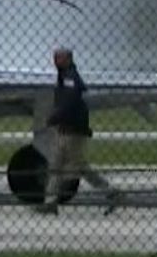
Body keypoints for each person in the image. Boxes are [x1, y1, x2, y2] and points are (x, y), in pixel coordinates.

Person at [35, 47, 123, 214]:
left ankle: (111, 192)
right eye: (54, 57)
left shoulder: (70, 78)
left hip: (73, 130)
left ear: (68, 58)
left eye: (59, 57)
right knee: (55, 165)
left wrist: (54, 117)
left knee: (79, 167)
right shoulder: (64, 76)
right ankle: (50, 202)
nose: (55, 61)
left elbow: (70, 102)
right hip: (64, 129)